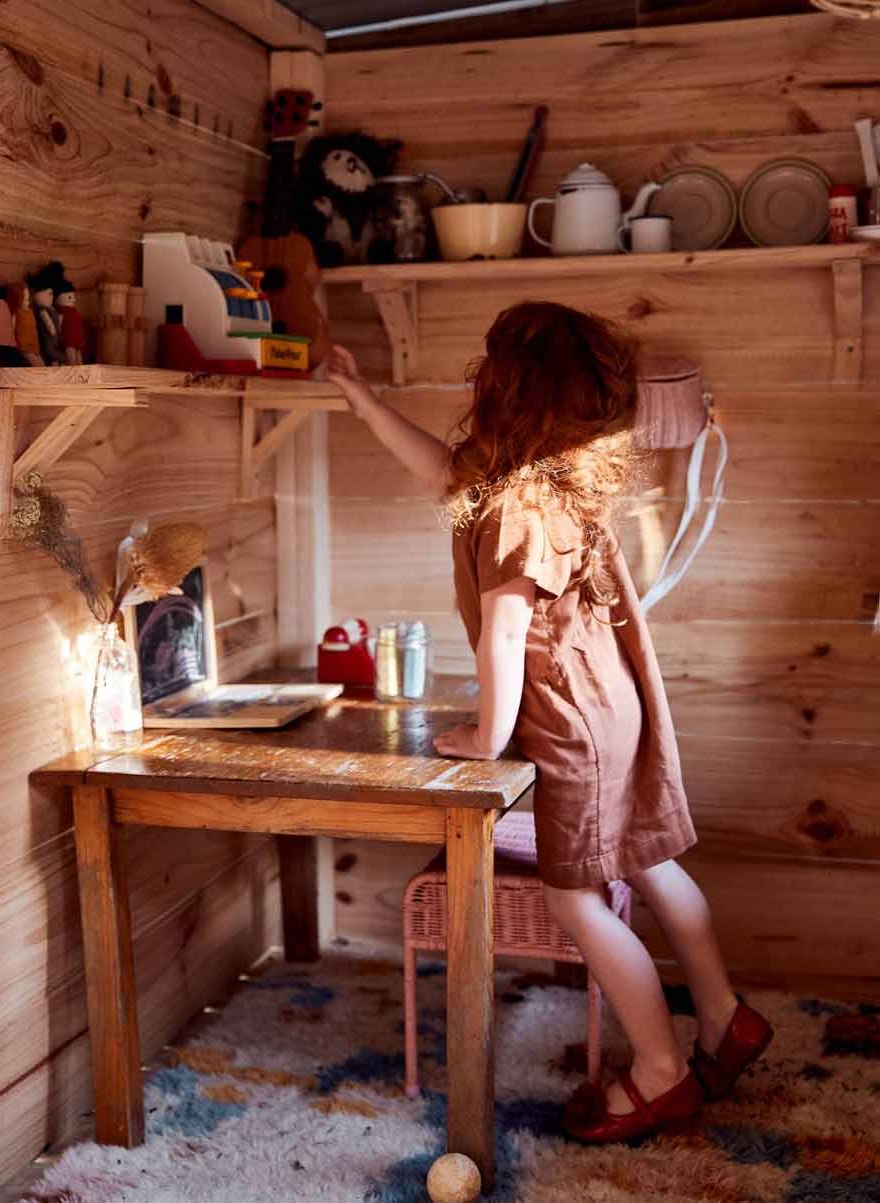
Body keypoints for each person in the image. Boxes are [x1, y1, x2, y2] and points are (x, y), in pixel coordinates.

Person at [325, 301, 773, 1145]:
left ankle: (659, 1072)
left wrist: (485, 738)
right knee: (652, 861)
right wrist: (364, 399)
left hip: (572, 721)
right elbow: (438, 471)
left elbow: (502, 632)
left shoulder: (516, 505)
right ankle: (723, 1016)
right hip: (610, 704)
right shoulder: (541, 477)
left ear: (507, 390)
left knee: (577, 897)